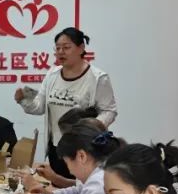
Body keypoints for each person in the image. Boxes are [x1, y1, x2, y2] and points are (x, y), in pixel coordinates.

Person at [14, 27, 117, 178]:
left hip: (84, 149)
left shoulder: (98, 78)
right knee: (57, 187)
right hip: (57, 148)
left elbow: (109, 111)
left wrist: (92, 126)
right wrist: (22, 100)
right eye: (58, 48)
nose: (61, 52)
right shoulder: (52, 75)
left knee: (81, 189)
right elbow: (39, 107)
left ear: (81, 48)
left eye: (66, 47)